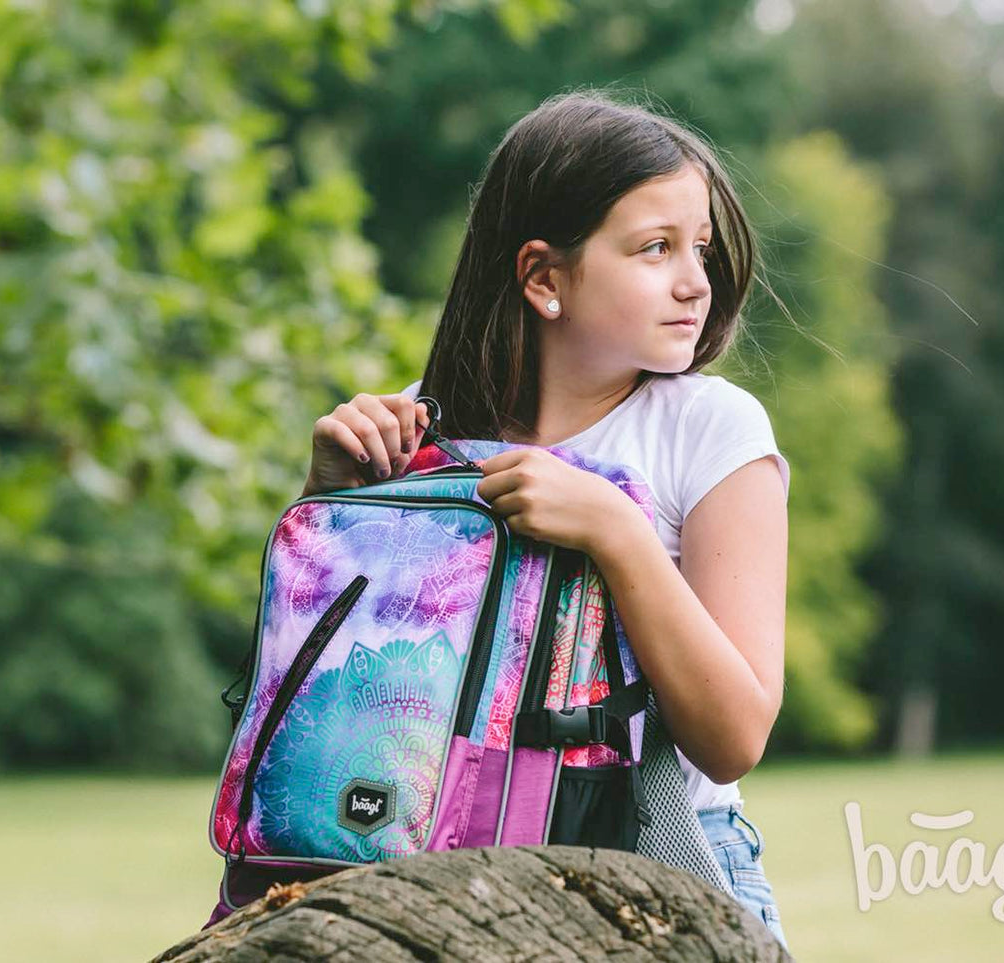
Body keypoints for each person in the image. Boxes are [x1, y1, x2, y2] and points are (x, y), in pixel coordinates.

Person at [301, 90, 792, 952]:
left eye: (701, 249)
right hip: (433, 866)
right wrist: (332, 506)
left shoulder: (711, 431)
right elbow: (324, 703)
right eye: (654, 248)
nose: (694, 282)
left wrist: (617, 530)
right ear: (542, 278)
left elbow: (734, 736)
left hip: (662, 868)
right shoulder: (424, 432)